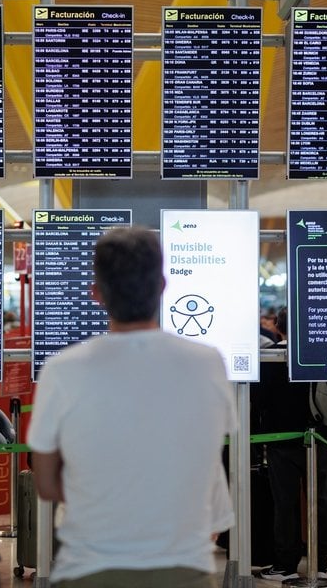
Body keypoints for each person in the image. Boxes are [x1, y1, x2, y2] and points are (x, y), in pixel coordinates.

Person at [28, 227, 236, 587]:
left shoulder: (63, 370)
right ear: (162, 286)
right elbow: (207, 457)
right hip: (185, 567)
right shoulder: (208, 363)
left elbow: (45, 483)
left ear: (97, 294)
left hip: (89, 568)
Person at [254, 308, 327, 582]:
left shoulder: (269, 357)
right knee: (319, 500)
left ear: (276, 326)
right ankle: (320, 562)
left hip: (279, 439)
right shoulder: (316, 354)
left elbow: (258, 399)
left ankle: (285, 564)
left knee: (284, 503)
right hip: (318, 436)